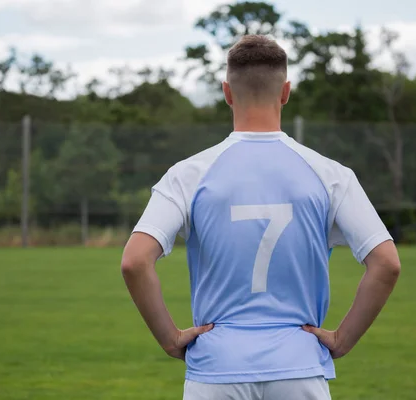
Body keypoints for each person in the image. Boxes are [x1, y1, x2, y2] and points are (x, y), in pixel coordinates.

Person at [121, 35, 401, 400]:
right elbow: (386, 264)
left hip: (216, 370)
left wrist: (170, 338)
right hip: (299, 366)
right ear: (286, 92)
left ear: (226, 92)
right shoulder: (331, 175)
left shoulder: (188, 174)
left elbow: (134, 262)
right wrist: (343, 338)